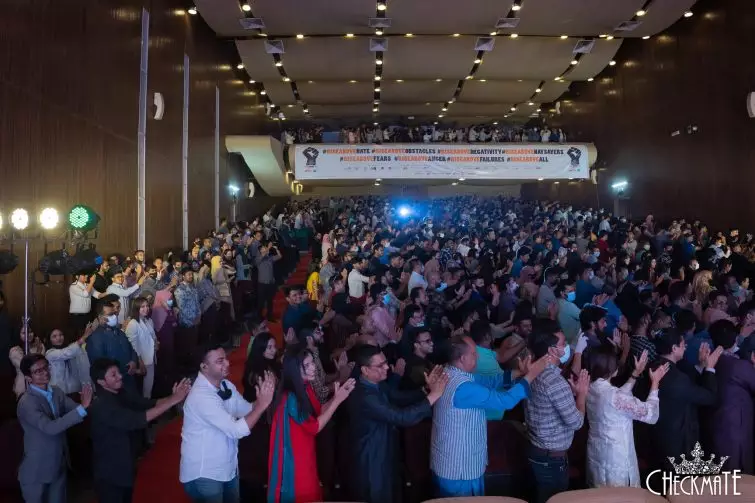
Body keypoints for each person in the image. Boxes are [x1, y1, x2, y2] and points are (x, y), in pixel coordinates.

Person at [430, 335, 553, 497]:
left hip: (448, 460)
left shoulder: (449, 373)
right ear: (462, 358)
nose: (478, 357)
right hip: (459, 468)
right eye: (474, 353)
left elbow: (488, 381)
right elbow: (504, 401)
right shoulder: (463, 388)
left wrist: (520, 372)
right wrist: (531, 376)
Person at [346, 345, 448, 503]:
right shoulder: (364, 395)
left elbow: (398, 397)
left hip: (384, 451)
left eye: (385, 362)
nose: (387, 367)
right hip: (371, 459)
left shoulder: (376, 384)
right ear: (365, 370)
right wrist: (434, 396)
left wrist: (427, 389)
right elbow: (401, 417)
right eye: (380, 365)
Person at [180, 343, 276, 503]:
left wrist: (263, 398)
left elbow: (246, 409)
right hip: (206, 474)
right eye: (220, 361)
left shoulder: (226, 385)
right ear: (204, 367)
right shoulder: (201, 396)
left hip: (228, 468)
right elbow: (236, 430)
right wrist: (261, 406)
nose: (227, 363)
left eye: (225, 358)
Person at [89, 357, 190, 503]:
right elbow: (137, 419)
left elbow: (146, 404)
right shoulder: (102, 405)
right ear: (101, 382)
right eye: (113, 375)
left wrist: (174, 397)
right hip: (110, 472)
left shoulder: (119, 392)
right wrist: (173, 400)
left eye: (118, 372)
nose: (120, 376)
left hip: (126, 463)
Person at [267, 347, 355, 503]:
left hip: (305, 451)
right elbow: (315, 427)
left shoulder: (305, 387)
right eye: (306, 365)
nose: (313, 367)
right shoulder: (291, 398)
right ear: (294, 370)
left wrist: (336, 397)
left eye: (312, 363)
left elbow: (319, 411)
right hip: (295, 458)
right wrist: (337, 401)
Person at [585, 346, 668, 487]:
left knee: (598, 492)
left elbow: (618, 399)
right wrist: (655, 383)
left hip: (597, 450)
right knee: (618, 494)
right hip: (616, 455)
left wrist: (635, 374)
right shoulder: (614, 396)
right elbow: (650, 414)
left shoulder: (590, 387)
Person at [16, 354, 92, 503]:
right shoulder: (27, 402)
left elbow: (77, 409)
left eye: (46, 367)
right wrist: (82, 408)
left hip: (58, 464)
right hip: (37, 470)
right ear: (28, 378)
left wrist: (86, 404)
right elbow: (50, 428)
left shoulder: (56, 391)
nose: (45, 372)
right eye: (38, 371)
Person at [526, 327, 590, 503]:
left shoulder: (533, 371)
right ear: (551, 350)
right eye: (563, 343)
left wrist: (571, 395)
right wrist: (582, 395)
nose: (566, 346)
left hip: (537, 448)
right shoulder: (555, 382)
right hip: (551, 457)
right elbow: (576, 422)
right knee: (553, 498)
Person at [648, 328, 721, 483]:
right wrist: (710, 367)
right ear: (674, 348)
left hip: (655, 435)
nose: (685, 347)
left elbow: (687, 387)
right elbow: (709, 397)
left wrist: (701, 365)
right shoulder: (676, 378)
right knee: (678, 484)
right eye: (682, 345)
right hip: (676, 439)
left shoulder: (652, 366)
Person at [706, 320, 755, 473]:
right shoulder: (740, 365)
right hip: (736, 426)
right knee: (738, 471)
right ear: (735, 339)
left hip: (718, 423)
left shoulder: (711, 361)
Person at [85, 301, 143, 391]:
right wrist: (121, 372)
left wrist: (133, 361)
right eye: (110, 314)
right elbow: (100, 366)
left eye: (115, 313)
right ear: (100, 317)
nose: (115, 316)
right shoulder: (95, 338)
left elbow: (131, 349)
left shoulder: (119, 332)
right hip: (113, 386)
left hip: (130, 379)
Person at [124, 297, 158, 398]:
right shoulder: (133, 323)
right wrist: (140, 361)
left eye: (147, 306)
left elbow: (152, 337)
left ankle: (148, 402)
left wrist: (156, 343)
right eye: (142, 307)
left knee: (149, 386)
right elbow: (132, 345)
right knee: (141, 387)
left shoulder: (149, 320)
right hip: (141, 360)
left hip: (150, 357)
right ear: (136, 308)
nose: (146, 308)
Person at [45, 326, 93, 395]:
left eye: (61, 335)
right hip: (57, 389)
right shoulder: (50, 353)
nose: (58, 338)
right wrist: (84, 336)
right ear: (49, 340)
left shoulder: (68, 348)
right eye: (54, 336)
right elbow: (66, 353)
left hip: (72, 389)